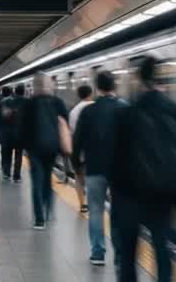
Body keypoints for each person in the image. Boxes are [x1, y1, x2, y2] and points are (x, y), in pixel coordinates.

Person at [109, 56, 176, 282]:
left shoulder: (127, 113)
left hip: (129, 199)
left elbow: (116, 159)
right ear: (159, 78)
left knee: (128, 259)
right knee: (164, 257)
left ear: (138, 78)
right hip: (163, 200)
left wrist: (117, 193)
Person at [71, 71, 124, 265]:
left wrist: (77, 168)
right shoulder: (124, 109)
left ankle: (98, 252)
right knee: (119, 211)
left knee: (95, 210)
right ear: (114, 86)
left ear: (97, 88)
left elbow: (77, 143)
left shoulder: (88, 111)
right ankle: (119, 252)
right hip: (120, 170)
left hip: (94, 168)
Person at [21, 74, 70, 229]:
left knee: (36, 181)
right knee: (48, 178)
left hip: (34, 148)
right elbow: (65, 125)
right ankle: (48, 208)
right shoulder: (58, 103)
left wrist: (25, 147)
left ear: (35, 87)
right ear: (50, 86)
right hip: (52, 147)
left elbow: (22, 127)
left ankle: (39, 219)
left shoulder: (29, 104)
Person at [67, 84, 95, 212]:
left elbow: (72, 131)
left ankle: (82, 204)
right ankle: (93, 202)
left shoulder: (73, 111)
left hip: (78, 151)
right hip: (93, 150)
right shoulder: (94, 107)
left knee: (79, 177)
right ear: (90, 94)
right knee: (93, 178)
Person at [0, 84, 27, 182]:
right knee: (18, 155)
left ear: (15, 91)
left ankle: (6, 173)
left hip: (7, 134)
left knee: (6, 154)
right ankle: (17, 176)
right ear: (24, 92)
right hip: (20, 134)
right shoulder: (27, 103)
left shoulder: (5, 101)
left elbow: (2, 116)